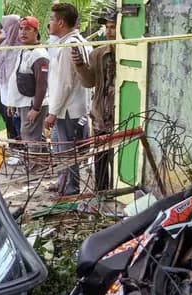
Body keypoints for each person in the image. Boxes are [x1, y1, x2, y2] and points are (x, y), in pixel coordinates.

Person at [44, 2, 92, 196]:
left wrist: (53, 113)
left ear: (61, 22)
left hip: (68, 109)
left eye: (51, 20)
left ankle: (71, 188)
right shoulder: (77, 41)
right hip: (72, 106)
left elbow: (65, 84)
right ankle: (64, 182)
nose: (49, 23)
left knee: (67, 152)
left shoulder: (69, 46)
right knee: (63, 149)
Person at [73, 8, 117, 191]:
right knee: (100, 159)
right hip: (101, 115)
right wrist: (79, 65)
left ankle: (120, 192)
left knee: (119, 159)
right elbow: (89, 82)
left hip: (121, 116)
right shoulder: (98, 54)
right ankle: (101, 192)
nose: (109, 31)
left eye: (113, 26)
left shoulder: (133, 52)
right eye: (108, 27)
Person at [5, 16, 49, 150]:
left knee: (31, 139)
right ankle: (37, 166)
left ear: (36, 32)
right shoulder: (24, 50)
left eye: (28, 29)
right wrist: (12, 102)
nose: (23, 32)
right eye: (21, 29)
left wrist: (36, 108)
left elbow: (42, 84)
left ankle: (35, 168)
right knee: (29, 137)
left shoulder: (39, 54)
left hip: (32, 105)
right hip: (23, 103)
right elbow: (16, 78)